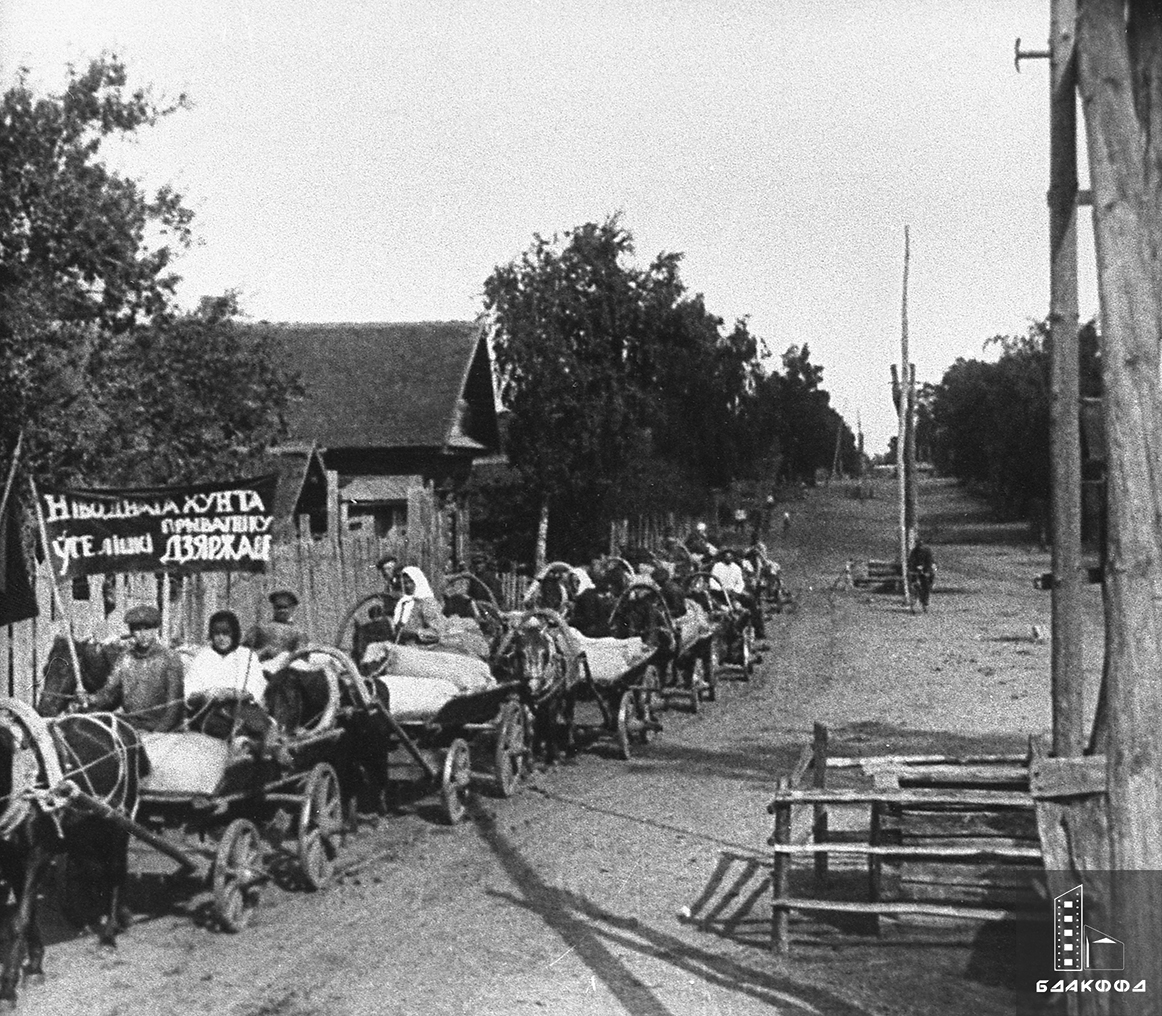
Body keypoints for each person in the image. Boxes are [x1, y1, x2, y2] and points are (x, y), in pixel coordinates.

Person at [85, 604, 185, 732]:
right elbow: (109, 693)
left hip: (162, 728)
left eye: (147, 629)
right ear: (132, 632)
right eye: (137, 629)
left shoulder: (170, 658)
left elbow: (174, 706)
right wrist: (90, 699)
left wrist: (158, 733)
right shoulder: (125, 658)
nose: (143, 634)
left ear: (156, 630)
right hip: (131, 724)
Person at [184, 610, 273, 740]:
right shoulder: (203, 657)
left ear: (234, 634)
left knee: (262, 728)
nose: (221, 638)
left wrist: (232, 694)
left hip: (244, 708)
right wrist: (205, 695)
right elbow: (189, 693)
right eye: (217, 633)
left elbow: (257, 688)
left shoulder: (247, 655)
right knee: (225, 730)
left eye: (226, 633)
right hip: (211, 711)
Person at [243, 589, 309, 665]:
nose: (282, 611)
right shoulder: (260, 628)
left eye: (285, 607)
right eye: (278, 607)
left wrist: (283, 658)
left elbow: (301, 656)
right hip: (259, 668)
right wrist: (262, 653)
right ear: (274, 608)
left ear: (292, 609)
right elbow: (243, 651)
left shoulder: (299, 633)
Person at [393, 566, 448, 645]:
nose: (407, 586)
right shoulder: (404, 603)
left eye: (411, 582)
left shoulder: (428, 603)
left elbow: (437, 633)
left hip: (424, 651)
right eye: (404, 583)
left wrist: (415, 632)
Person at [907, 538, 937, 613]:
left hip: (926, 572)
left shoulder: (927, 551)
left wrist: (927, 570)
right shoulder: (914, 551)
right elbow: (911, 561)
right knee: (916, 587)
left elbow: (930, 561)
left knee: (926, 587)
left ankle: (924, 604)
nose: (920, 545)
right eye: (918, 543)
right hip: (917, 572)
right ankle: (916, 604)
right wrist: (914, 568)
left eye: (921, 543)